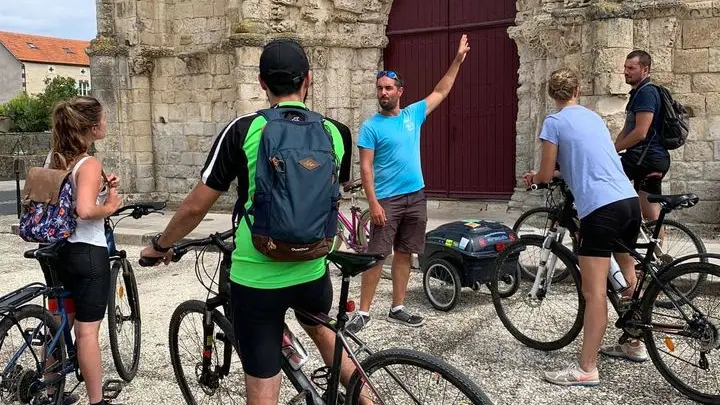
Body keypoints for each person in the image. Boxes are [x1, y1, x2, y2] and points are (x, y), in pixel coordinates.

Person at [139, 38, 363, 405]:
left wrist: (161, 245)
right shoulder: (336, 132)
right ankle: (368, 398)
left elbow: (196, 207)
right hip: (313, 266)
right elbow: (327, 195)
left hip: (256, 274)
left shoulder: (244, 129)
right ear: (309, 79)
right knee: (325, 334)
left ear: (262, 83)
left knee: (262, 379)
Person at [522, 68, 645, 387]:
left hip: (600, 208)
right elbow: (590, 162)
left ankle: (586, 368)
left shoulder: (554, 122)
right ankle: (633, 342)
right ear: (578, 90)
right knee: (627, 276)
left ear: (552, 94)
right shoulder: (593, 118)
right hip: (628, 201)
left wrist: (534, 178)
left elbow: (548, 174)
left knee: (593, 294)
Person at [345, 34, 471, 334]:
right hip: (386, 201)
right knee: (376, 255)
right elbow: (365, 168)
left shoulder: (413, 114)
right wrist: (373, 203)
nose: (383, 93)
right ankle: (363, 312)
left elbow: (441, 91)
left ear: (400, 91)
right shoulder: (371, 127)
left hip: (415, 197)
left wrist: (456, 61)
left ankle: (397, 307)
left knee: (405, 253)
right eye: (380, 89)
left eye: (389, 88)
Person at [43, 96, 123, 405]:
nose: (105, 124)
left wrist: (103, 185)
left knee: (58, 321)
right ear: (92, 128)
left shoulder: (55, 156)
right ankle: (96, 400)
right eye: (103, 120)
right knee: (88, 332)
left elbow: (67, 196)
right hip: (87, 253)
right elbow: (86, 210)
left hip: (57, 251)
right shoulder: (89, 163)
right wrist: (110, 204)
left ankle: (51, 391)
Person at [614, 50, 669, 223]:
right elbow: (627, 129)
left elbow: (640, 133)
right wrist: (611, 149)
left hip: (644, 157)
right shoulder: (638, 93)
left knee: (605, 178)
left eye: (631, 68)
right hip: (651, 158)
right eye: (625, 67)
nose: (626, 71)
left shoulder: (646, 93)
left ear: (644, 70)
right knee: (651, 215)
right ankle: (657, 249)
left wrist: (614, 150)